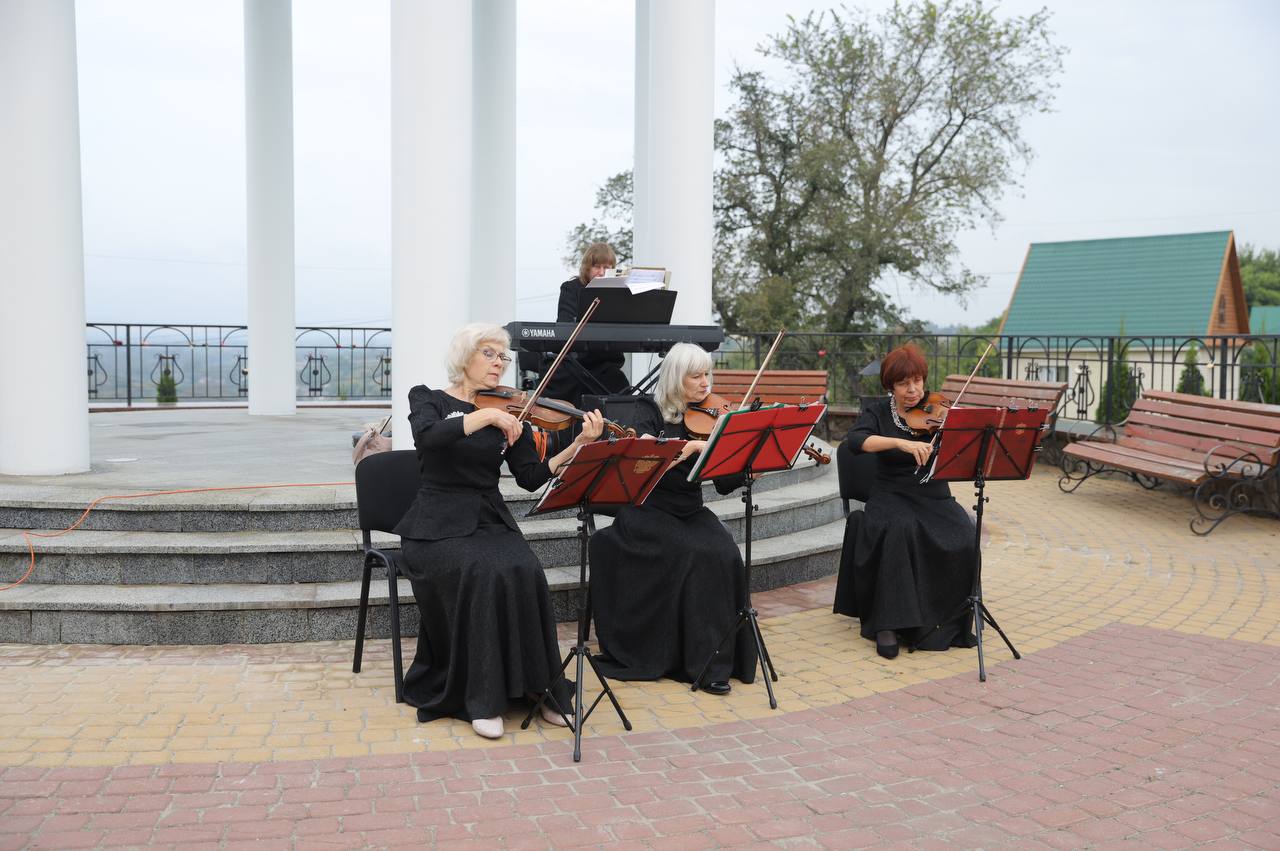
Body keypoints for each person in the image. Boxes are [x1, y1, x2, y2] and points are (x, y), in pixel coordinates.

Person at [394, 323, 605, 739]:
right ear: (465, 356)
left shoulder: (513, 412)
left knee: (525, 568)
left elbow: (530, 476)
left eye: (503, 357)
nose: (499, 364)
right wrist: (484, 416)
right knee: (482, 573)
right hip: (435, 526)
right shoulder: (429, 399)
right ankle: (482, 696)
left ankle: (542, 690)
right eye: (489, 354)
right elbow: (428, 437)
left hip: (489, 520)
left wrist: (578, 444)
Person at [587, 342, 757, 693]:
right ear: (676, 378)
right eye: (695, 376)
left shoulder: (713, 416)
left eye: (707, 374)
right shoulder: (648, 411)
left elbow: (724, 482)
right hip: (647, 510)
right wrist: (691, 446)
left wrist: (747, 466)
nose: (705, 383)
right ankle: (695, 662)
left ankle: (715, 657)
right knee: (693, 554)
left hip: (689, 509)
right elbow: (642, 456)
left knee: (724, 553)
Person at [832, 344, 978, 659]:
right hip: (891, 492)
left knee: (964, 533)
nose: (912, 390)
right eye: (903, 383)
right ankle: (887, 623)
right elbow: (855, 441)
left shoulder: (938, 409)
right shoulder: (877, 412)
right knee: (898, 530)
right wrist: (901, 442)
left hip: (932, 492)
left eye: (917, 381)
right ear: (891, 386)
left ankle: (949, 620)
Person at [543, 242, 630, 408]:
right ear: (587, 268)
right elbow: (565, 323)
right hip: (576, 361)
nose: (602, 272)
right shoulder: (572, 288)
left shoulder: (619, 294)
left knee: (619, 384)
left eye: (607, 267)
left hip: (605, 361)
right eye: (597, 267)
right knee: (559, 377)